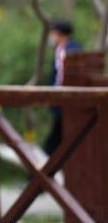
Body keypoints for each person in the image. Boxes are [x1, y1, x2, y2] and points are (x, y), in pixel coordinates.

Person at [44, 20, 82, 155]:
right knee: (60, 137)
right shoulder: (66, 49)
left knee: (56, 140)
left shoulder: (68, 51)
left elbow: (62, 77)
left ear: (60, 34)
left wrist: (56, 96)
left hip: (65, 102)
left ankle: (42, 172)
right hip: (63, 101)